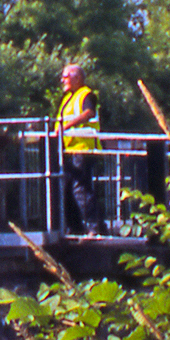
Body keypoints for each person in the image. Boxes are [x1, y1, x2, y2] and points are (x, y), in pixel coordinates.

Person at [55, 62, 100, 235]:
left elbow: (89, 113)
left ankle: (93, 227)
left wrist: (66, 126)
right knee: (66, 188)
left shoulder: (86, 94)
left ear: (78, 77)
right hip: (69, 149)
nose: (62, 80)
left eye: (66, 76)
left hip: (83, 148)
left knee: (80, 188)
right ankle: (75, 228)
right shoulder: (68, 98)